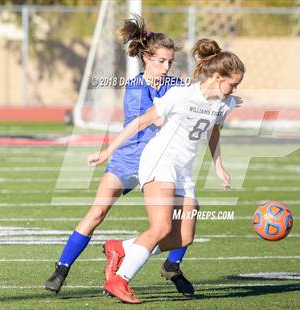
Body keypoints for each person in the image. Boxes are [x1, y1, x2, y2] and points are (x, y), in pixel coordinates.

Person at [44, 15, 194, 296]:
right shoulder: (137, 87)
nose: (166, 67)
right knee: (98, 211)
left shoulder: (174, 83)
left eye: (170, 62)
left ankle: (173, 266)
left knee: (183, 212)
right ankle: (62, 268)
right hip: (129, 158)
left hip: (160, 161)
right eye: (161, 61)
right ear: (146, 57)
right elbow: (156, 121)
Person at [88, 38, 245, 304]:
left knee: (184, 236)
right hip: (159, 161)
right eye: (233, 84)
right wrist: (107, 151)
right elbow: (140, 121)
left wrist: (219, 165)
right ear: (217, 77)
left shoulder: (222, 103)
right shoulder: (182, 94)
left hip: (183, 170)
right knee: (160, 227)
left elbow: (213, 131)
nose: (235, 90)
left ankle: (121, 247)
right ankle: (120, 280)